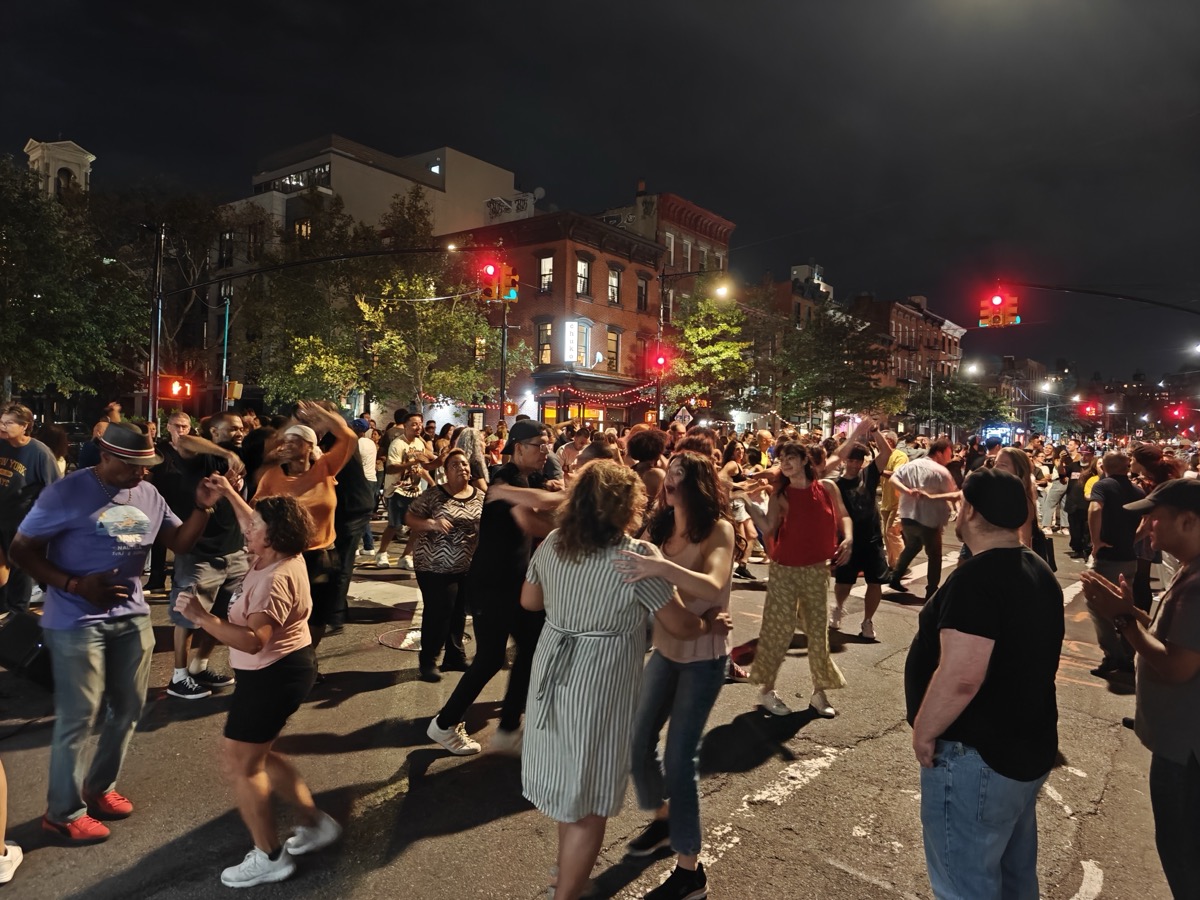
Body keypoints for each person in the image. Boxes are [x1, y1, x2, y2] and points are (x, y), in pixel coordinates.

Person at [520, 460, 727, 900]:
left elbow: (530, 601)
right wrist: (710, 625)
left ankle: (566, 877)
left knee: (567, 788)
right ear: (627, 506)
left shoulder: (555, 542)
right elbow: (679, 625)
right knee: (590, 801)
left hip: (552, 674)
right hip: (599, 682)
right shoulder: (634, 557)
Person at [9, 422, 221, 843]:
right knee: (79, 715)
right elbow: (20, 550)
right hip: (75, 619)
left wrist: (204, 508)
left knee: (127, 709)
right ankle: (62, 813)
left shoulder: (148, 493)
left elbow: (180, 542)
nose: (142, 473)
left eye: (146, 465)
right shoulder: (66, 492)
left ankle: (99, 788)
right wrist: (73, 585)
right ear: (104, 456)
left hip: (131, 616)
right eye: (132, 466)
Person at [905, 468, 1064, 899]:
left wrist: (924, 731)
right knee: (1014, 876)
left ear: (970, 510)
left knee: (964, 884)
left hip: (976, 757)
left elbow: (961, 676)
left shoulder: (977, 579)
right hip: (1024, 748)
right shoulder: (1036, 568)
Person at [178, 481, 341, 887]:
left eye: (256, 526)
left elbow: (254, 640)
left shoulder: (274, 578)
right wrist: (228, 493)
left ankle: (269, 856)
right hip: (278, 670)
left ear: (274, 535)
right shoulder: (277, 552)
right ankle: (315, 823)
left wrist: (202, 618)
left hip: (272, 674)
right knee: (260, 756)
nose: (247, 529)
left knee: (242, 764)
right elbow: (248, 518)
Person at [616, 452, 735, 899]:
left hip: (703, 658)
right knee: (637, 739)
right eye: (668, 475)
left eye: (679, 476)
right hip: (666, 651)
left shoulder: (718, 530)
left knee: (680, 758)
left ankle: (690, 872)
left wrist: (661, 567)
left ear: (697, 484)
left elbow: (713, 583)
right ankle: (664, 819)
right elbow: (629, 556)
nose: (669, 482)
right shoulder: (661, 526)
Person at [1082, 478, 1200, 897]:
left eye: (1154, 518)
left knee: (1183, 854)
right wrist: (1128, 611)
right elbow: (1176, 639)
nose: (1147, 526)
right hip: (1180, 744)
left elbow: (1177, 665)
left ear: (1188, 521)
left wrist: (1122, 620)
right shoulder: (1189, 570)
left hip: (1185, 752)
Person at [426, 419, 564, 756]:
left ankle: (508, 728)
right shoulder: (504, 477)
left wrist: (556, 498)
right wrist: (566, 500)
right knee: (490, 658)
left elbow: (542, 511)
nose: (545, 450)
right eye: (538, 444)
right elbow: (531, 520)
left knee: (531, 648)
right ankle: (445, 724)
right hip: (492, 585)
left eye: (547, 444)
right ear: (518, 447)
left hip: (516, 585)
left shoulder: (531, 478)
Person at [742, 441, 852, 717]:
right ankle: (767, 690)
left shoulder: (827, 488)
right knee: (778, 630)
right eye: (782, 459)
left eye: (791, 457)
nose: (786, 463)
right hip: (785, 570)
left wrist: (848, 538)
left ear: (805, 460)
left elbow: (843, 515)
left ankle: (819, 692)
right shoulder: (781, 495)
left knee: (817, 632)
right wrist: (746, 503)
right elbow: (768, 527)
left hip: (817, 570)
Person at [253, 403, 356, 655]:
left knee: (317, 613)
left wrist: (322, 414)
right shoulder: (272, 476)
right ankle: (284, 656)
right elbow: (255, 510)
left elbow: (348, 437)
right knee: (286, 611)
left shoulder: (325, 468)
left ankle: (309, 658)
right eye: (286, 441)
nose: (287, 445)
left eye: (295, 441)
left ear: (310, 446)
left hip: (321, 555)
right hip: (285, 556)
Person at [405, 449, 484, 682]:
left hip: (465, 564)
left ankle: (455, 656)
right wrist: (431, 523)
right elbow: (409, 518)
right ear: (446, 472)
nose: (462, 468)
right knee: (439, 612)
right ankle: (428, 660)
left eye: (464, 464)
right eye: (455, 465)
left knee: (458, 612)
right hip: (433, 565)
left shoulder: (479, 496)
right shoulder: (434, 495)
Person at [830, 422, 894, 641]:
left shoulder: (869, 475)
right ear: (845, 461)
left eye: (858, 460)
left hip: (873, 538)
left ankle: (867, 621)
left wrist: (874, 431)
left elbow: (887, 452)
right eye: (851, 460)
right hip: (848, 540)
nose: (855, 464)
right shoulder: (836, 485)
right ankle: (838, 607)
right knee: (844, 582)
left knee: (875, 582)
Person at [1086, 451, 1145, 678]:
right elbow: (1148, 522)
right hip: (1129, 558)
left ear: (1105, 467)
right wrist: (1132, 539)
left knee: (1097, 604)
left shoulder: (1103, 486)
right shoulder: (1138, 491)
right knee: (1125, 606)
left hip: (1108, 557)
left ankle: (1113, 655)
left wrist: (1096, 541)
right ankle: (1129, 653)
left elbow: (1095, 509)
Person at [0, 403, 61, 614]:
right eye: (1, 422)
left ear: (24, 426)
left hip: (22, 522)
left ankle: (16, 614)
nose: (2, 427)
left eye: (8, 423)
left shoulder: (39, 453)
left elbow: (55, 490)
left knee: (20, 569)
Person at [888, 438, 957, 600]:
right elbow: (952, 494)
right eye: (949, 454)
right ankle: (931, 590)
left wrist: (907, 491)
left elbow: (893, 479)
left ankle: (895, 577)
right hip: (929, 519)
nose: (950, 458)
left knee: (913, 545)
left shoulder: (912, 465)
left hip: (908, 516)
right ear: (939, 453)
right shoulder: (941, 472)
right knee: (934, 555)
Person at [375, 411, 432, 569]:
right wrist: (412, 462)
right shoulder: (397, 444)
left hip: (415, 490)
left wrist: (432, 482)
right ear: (405, 426)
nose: (418, 427)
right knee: (394, 525)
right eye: (414, 424)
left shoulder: (419, 444)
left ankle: (406, 555)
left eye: (420, 424)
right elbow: (391, 468)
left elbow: (422, 467)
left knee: (418, 526)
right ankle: (382, 552)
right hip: (397, 490)